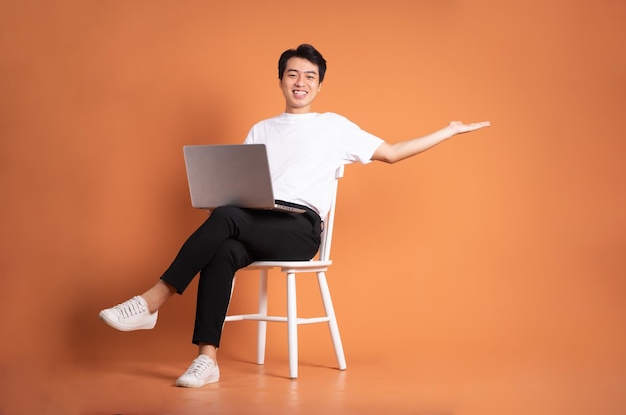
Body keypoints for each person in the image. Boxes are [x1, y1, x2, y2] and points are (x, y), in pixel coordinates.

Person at [99, 44, 490, 388]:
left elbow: (391, 152)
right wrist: (217, 200)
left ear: (319, 86)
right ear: (281, 80)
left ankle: (152, 301)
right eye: (293, 74)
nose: (300, 82)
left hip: (300, 229)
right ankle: (208, 360)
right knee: (223, 246)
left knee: (229, 219)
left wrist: (447, 131)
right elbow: (242, 190)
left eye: (310, 76)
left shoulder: (333, 126)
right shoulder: (261, 129)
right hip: (256, 219)